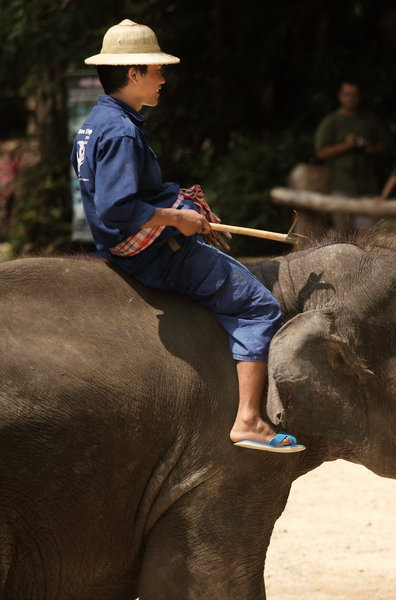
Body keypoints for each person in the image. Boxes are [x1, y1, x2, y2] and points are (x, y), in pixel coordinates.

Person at [71, 19, 304, 453]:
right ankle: (250, 421)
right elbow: (117, 209)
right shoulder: (121, 131)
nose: (163, 78)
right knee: (258, 308)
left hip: (119, 244)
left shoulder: (95, 123)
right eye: (156, 70)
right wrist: (177, 219)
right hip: (151, 254)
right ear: (134, 73)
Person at [314, 81, 391, 232]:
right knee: (343, 235)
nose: (350, 99)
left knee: (367, 235)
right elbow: (320, 153)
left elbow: (387, 147)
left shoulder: (370, 120)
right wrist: (346, 146)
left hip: (367, 186)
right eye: (347, 94)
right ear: (340, 96)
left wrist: (371, 149)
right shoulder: (331, 122)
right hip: (341, 186)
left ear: (360, 97)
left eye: (354, 95)